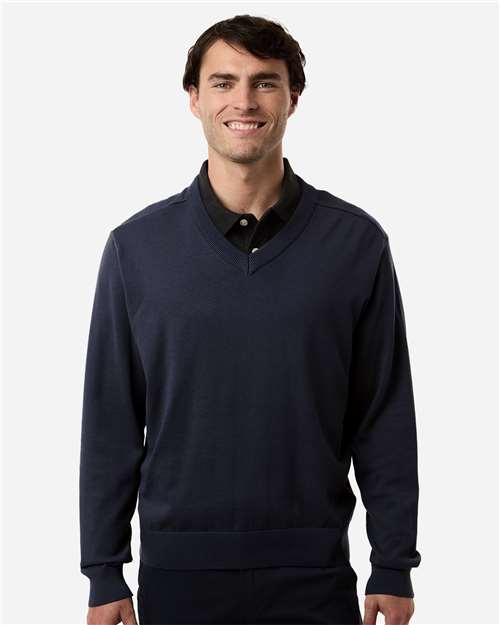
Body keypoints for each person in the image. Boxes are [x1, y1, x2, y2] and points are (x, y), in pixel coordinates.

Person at [79, 13, 421, 625]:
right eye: (223, 82)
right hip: (178, 578)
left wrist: (393, 562)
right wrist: (104, 571)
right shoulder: (137, 248)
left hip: (315, 576)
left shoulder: (356, 244)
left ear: (293, 98)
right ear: (193, 98)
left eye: (265, 82)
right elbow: (111, 421)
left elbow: (384, 416)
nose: (244, 100)